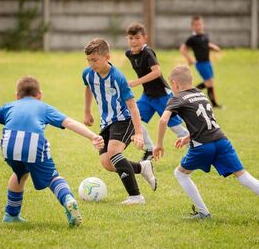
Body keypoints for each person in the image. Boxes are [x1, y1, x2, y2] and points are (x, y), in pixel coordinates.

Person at [0, 76, 104, 227]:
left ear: (17, 96)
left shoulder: (9, 106)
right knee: (52, 177)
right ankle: (68, 200)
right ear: (40, 95)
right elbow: (69, 122)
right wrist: (92, 136)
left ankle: (11, 215)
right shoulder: (43, 107)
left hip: (8, 143)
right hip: (33, 142)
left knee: (20, 174)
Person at [153, 65, 259, 225]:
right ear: (191, 80)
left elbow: (163, 120)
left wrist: (159, 144)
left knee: (181, 174)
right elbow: (205, 121)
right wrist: (188, 136)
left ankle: (203, 213)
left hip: (203, 146)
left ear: (174, 83)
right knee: (244, 176)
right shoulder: (201, 94)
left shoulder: (177, 98)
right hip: (221, 140)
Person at [83, 38, 157, 205]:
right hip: (106, 122)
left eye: (94, 60)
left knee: (115, 153)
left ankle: (136, 197)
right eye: (88, 60)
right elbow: (88, 87)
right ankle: (142, 167)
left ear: (107, 57)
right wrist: (87, 111)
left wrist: (138, 133)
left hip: (124, 120)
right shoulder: (87, 73)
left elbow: (133, 107)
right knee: (107, 163)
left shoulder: (118, 78)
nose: (91, 64)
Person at [125, 22, 189, 161]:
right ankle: (149, 149)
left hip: (162, 96)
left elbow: (157, 72)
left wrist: (135, 82)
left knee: (176, 128)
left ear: (144, 38)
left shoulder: (148, 52)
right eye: (130, 38)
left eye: (137, 38)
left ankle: (197, 149)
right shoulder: (129, 54)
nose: (133, 41)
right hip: (147, 97)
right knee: (132, 120)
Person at [180, 16, 222, 108]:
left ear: (203, 25)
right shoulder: (192, 39)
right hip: (201, 64)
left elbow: (206, 44)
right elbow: (183, 49)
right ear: (192, 27)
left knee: (210, 83)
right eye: (196, 25)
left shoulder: (205, 36)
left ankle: (189, 94)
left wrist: (213, 47)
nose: (198, 26)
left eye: (200, 24)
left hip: (208, 63)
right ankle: (189, 95)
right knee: (209, 83)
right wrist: (189, 59)